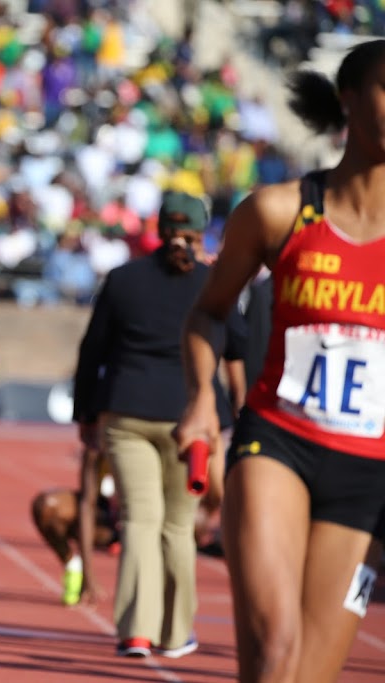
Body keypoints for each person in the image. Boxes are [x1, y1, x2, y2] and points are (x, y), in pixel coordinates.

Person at [176, 41, 385, 683]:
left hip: (368, 472)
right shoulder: (278, 212)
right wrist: (203, 401)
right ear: (349, 100)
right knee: (274, 655)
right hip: (279, 444)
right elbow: (209, 312)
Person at [73, 190, 247, 659]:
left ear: (160, 229)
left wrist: (86, 415)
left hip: (126, 412)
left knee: (139, 521)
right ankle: (175, 634)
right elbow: (240, 347)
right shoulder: (215, 282)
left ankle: (135, 632)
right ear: (199, 232)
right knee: (177, 526)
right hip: (191, 420)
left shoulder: (124, 278)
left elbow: (93, 352)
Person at [30, 444, 120, 606]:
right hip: (107, 519)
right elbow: (87, 505)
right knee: (46, 505)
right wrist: (88, 575)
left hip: (146, 521)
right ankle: (73, 566)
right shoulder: (97, 444)